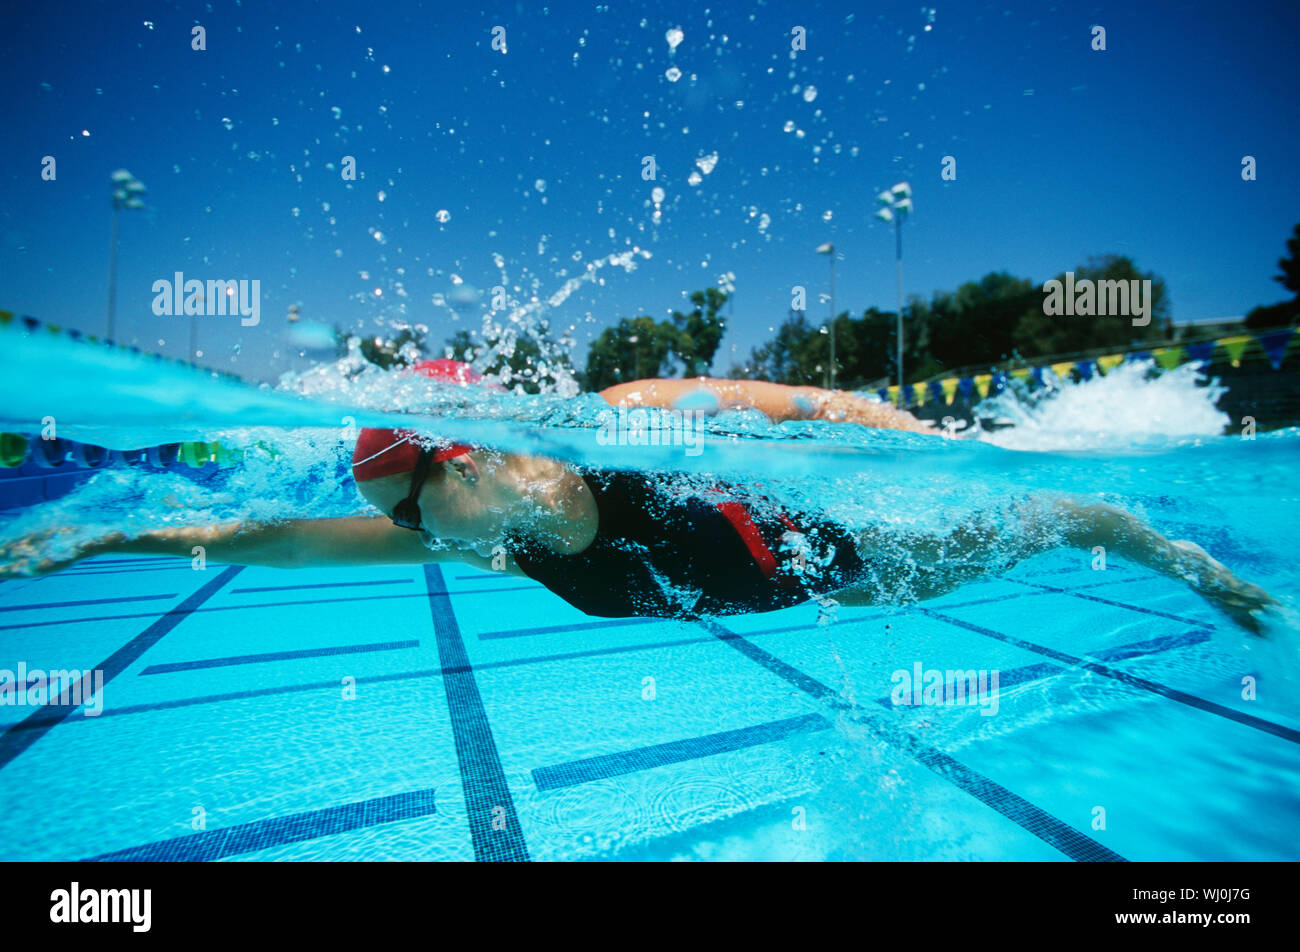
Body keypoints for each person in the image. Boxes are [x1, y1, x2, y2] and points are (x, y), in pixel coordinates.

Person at [0, 360, 1277, 631]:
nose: (398, 538)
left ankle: (1189, 558)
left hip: (849, 538)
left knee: (1058, 517)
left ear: (451, 466)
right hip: (804, 585)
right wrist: (103, 534)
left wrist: (904, 430)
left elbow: (785, 407)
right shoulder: (497, 542)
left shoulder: (613, 424)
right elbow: (278, 543)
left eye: (397, 513)